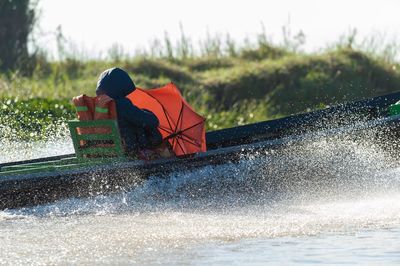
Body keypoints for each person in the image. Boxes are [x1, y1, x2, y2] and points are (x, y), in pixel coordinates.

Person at [95, 67, 162, 154]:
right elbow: (152, 121)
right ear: (120, 86)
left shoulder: (97, 105)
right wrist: (148, 112)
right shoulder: (121, 104)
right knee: (150, 129)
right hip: (128, 147)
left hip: (104, 147)